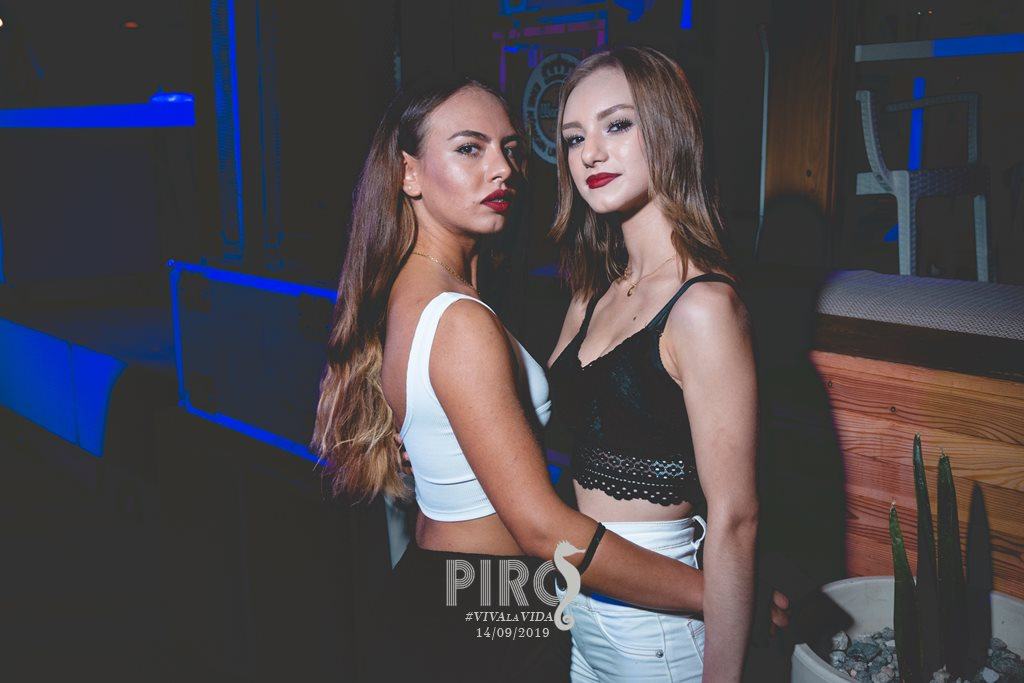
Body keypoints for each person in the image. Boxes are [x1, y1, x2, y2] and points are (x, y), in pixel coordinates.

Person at [310, 74, 723, 683]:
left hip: (454, 587)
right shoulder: (459, 320)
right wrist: (717, 595)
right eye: (469, 149)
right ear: (409, 174)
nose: (502, 169)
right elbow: (540, 529)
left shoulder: (409, 293)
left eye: (510, 150)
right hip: (489, 601)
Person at [547, 46, 759, 681]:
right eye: (574, 138)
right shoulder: (592, 293)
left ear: (669, 130)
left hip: (661, 626)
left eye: (616, 125)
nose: (590, 154)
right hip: (581, 602)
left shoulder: (703, 308)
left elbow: (736, 519)